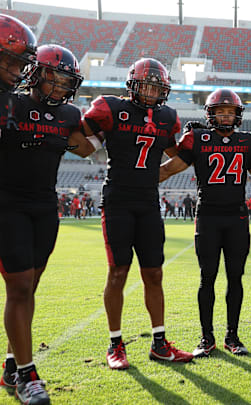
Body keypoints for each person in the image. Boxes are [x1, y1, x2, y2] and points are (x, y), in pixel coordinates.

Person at [82, 57, 193, 370]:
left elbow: (179, 153)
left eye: (156, 86)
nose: (150, 91)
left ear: (165, 90)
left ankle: (159, 343)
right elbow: (82, 137)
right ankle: (115, 344)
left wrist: (161, 173)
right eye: (145, 84)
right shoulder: (111, 108)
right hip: (118, 200)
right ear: (132, 84)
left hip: (148, 202)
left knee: (154, 273)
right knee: (118, 273)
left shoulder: (167, 116)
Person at [0, 44, 95, 405]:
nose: (60, 86)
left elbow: (85, 148)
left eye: (66, 81)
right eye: (55, 77)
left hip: (44, 208)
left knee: (29, 287)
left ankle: (12, 364)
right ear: (37, 72)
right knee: (20, 287)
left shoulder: (69, 114)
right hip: (8, 205)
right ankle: (27, 375)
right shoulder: (10, 102)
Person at [160, 89, 251, 357]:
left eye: (230, 111)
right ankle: (206, 337)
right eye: (220, 111)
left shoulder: (247, 142)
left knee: (235, 278)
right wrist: (135, 180)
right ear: (210, 114)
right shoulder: (197, 139)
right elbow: (169, 168)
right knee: (207, 278)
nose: (225, 115)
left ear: (238, 115)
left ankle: (232, 336)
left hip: (237, 218)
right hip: (208, 217)